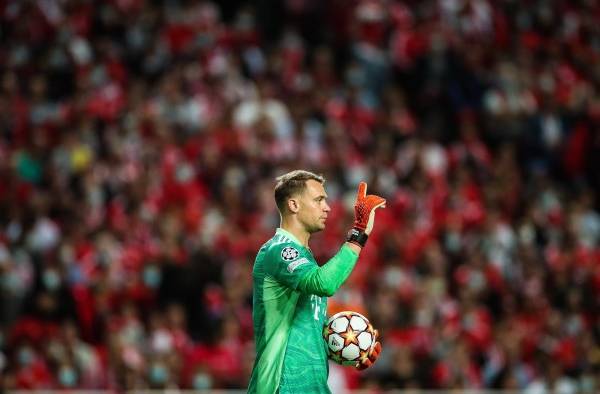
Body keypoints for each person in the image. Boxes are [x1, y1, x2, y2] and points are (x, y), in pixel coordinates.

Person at [248, 170, 386, 393]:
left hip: (313, 385)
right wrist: (358, 234)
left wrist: (354, 346)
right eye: (319, 200)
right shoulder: (279, 250)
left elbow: (307, 330)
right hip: (282, 386)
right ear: (294, 205)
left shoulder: (306, 258)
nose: (327, 207)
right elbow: (324, 284)